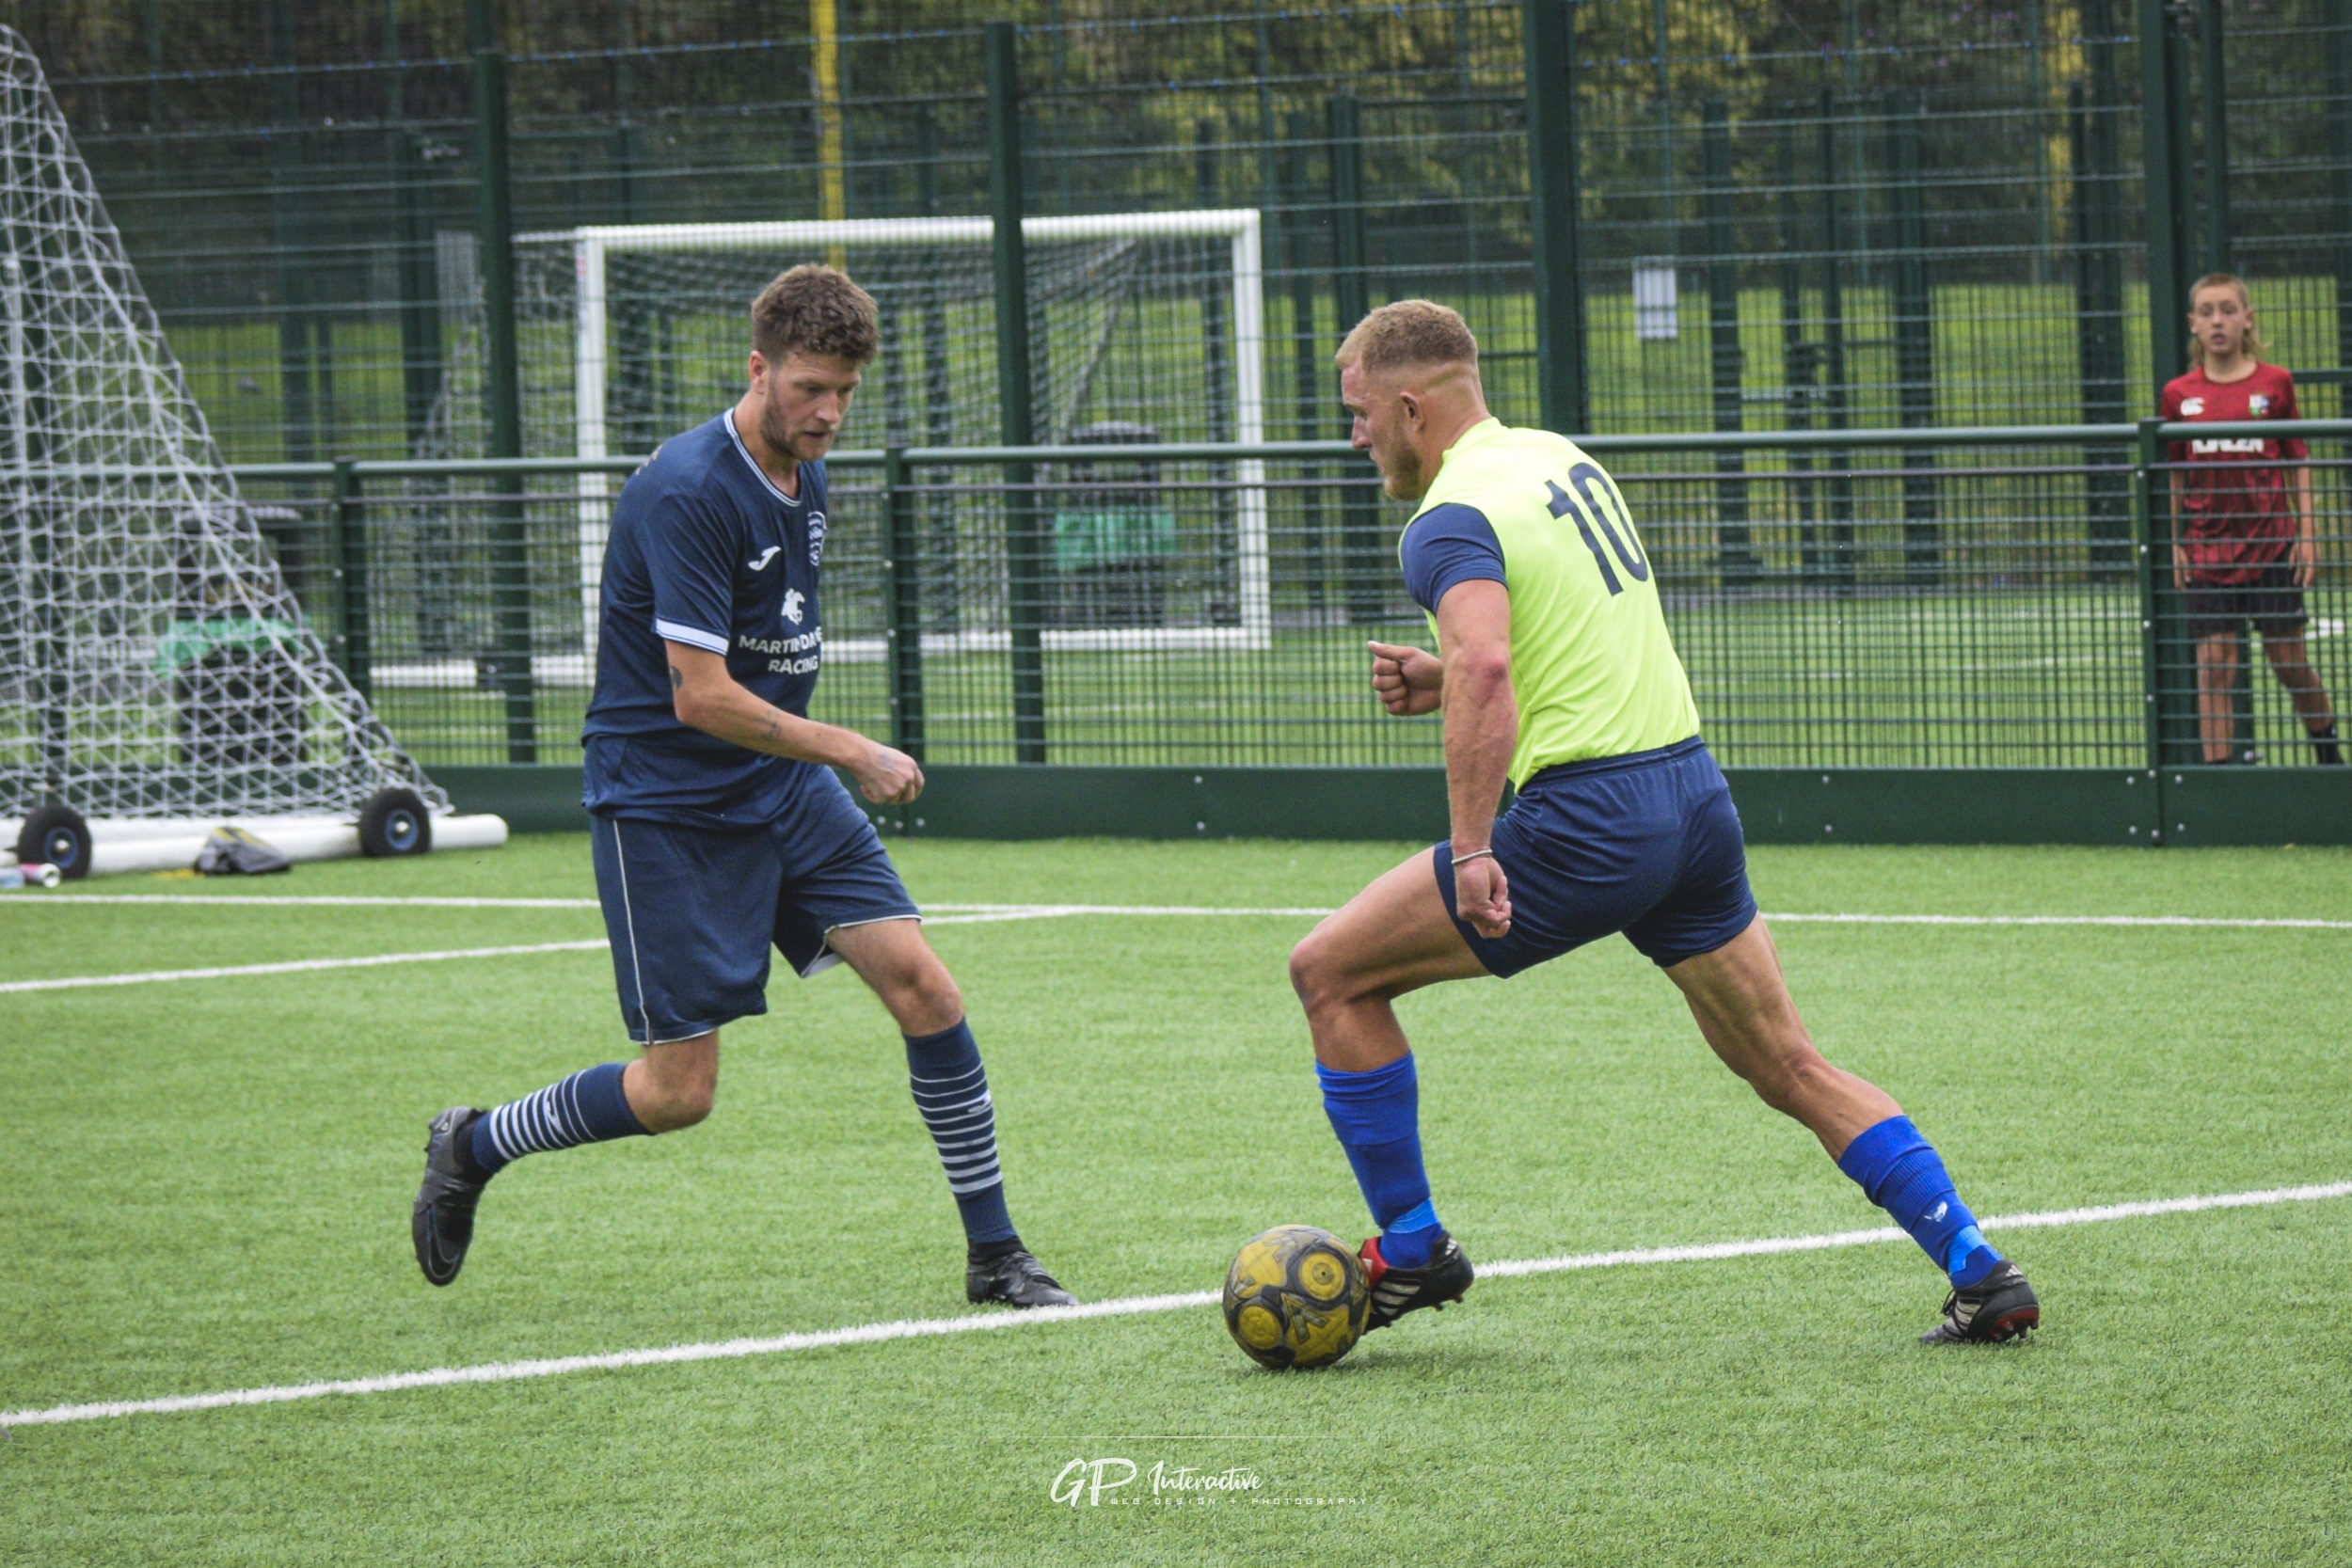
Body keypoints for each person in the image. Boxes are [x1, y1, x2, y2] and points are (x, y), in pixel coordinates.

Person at [1288, 300, 2038, 1345]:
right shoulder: (1557, 458)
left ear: (1410, 405)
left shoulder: (1445, 517)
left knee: (1328, 972)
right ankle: (1980, 1268)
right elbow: (1551, 626)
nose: (1354, 434)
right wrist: (1442, 673)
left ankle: (1411, 1249)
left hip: (1591, 817)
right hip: (1690, 798)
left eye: (1359, 412)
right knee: (1788, 1061)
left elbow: (1489, 660)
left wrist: (1471, 845)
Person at [412, 265, 1074, 1309]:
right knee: (678, 1093)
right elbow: (700, 696)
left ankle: (995, 1253)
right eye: (811, 387)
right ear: (757, 367)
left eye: (847, 392)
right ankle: (477, 1141)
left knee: (926, 989)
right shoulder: (684, 488)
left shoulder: (809, 471)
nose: (829, 412)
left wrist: (811, 758)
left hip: (779, 786)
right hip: (666, 803)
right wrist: (850, 747)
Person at [2160, 273, 2342, 766]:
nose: (2218, 320)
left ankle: (2329, 757)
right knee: (2213, 664)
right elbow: (2175, 471)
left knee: (2288, 660)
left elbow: (2297, 458)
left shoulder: (2275, 382)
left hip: (2270, 546)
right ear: (2193, 324)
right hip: (2206, 550)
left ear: (2247, 319)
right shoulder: (2178, 394)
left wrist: (2307, 532)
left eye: (2228, 310)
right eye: (2207, 312)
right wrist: (2173, 540)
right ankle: (2221, 777)